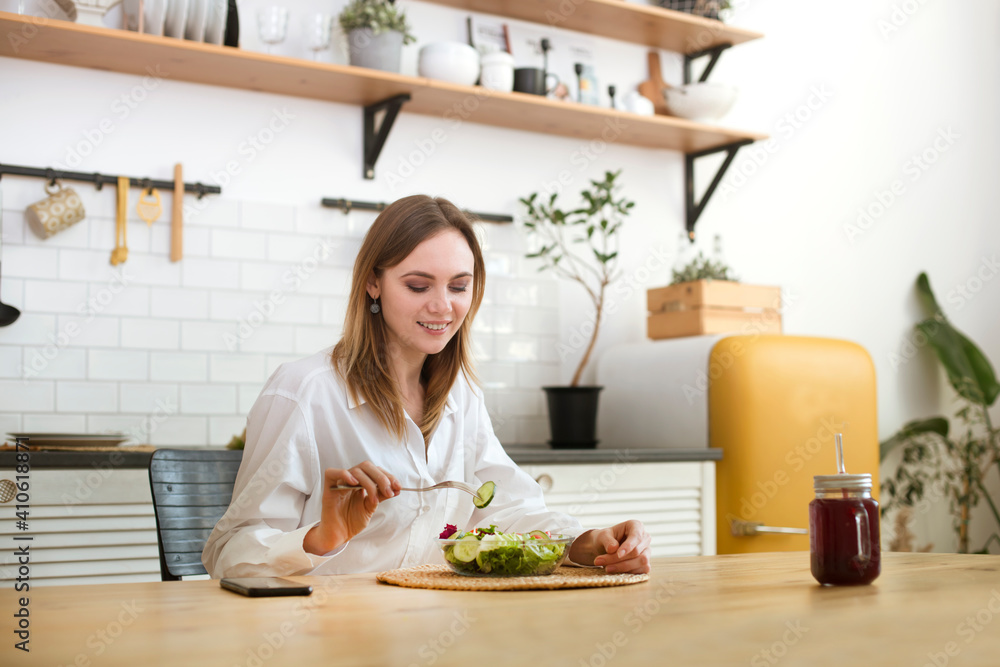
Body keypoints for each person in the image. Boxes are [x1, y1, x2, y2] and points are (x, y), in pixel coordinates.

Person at [202, 195, 651, 578]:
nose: (442, 306)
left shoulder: (462, 397)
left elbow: (508, 508)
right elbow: (228, 554)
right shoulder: (304, 392)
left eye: (459, 286)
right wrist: (319, 539)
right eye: (418, 286)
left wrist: (588, 543)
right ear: (373, 283)